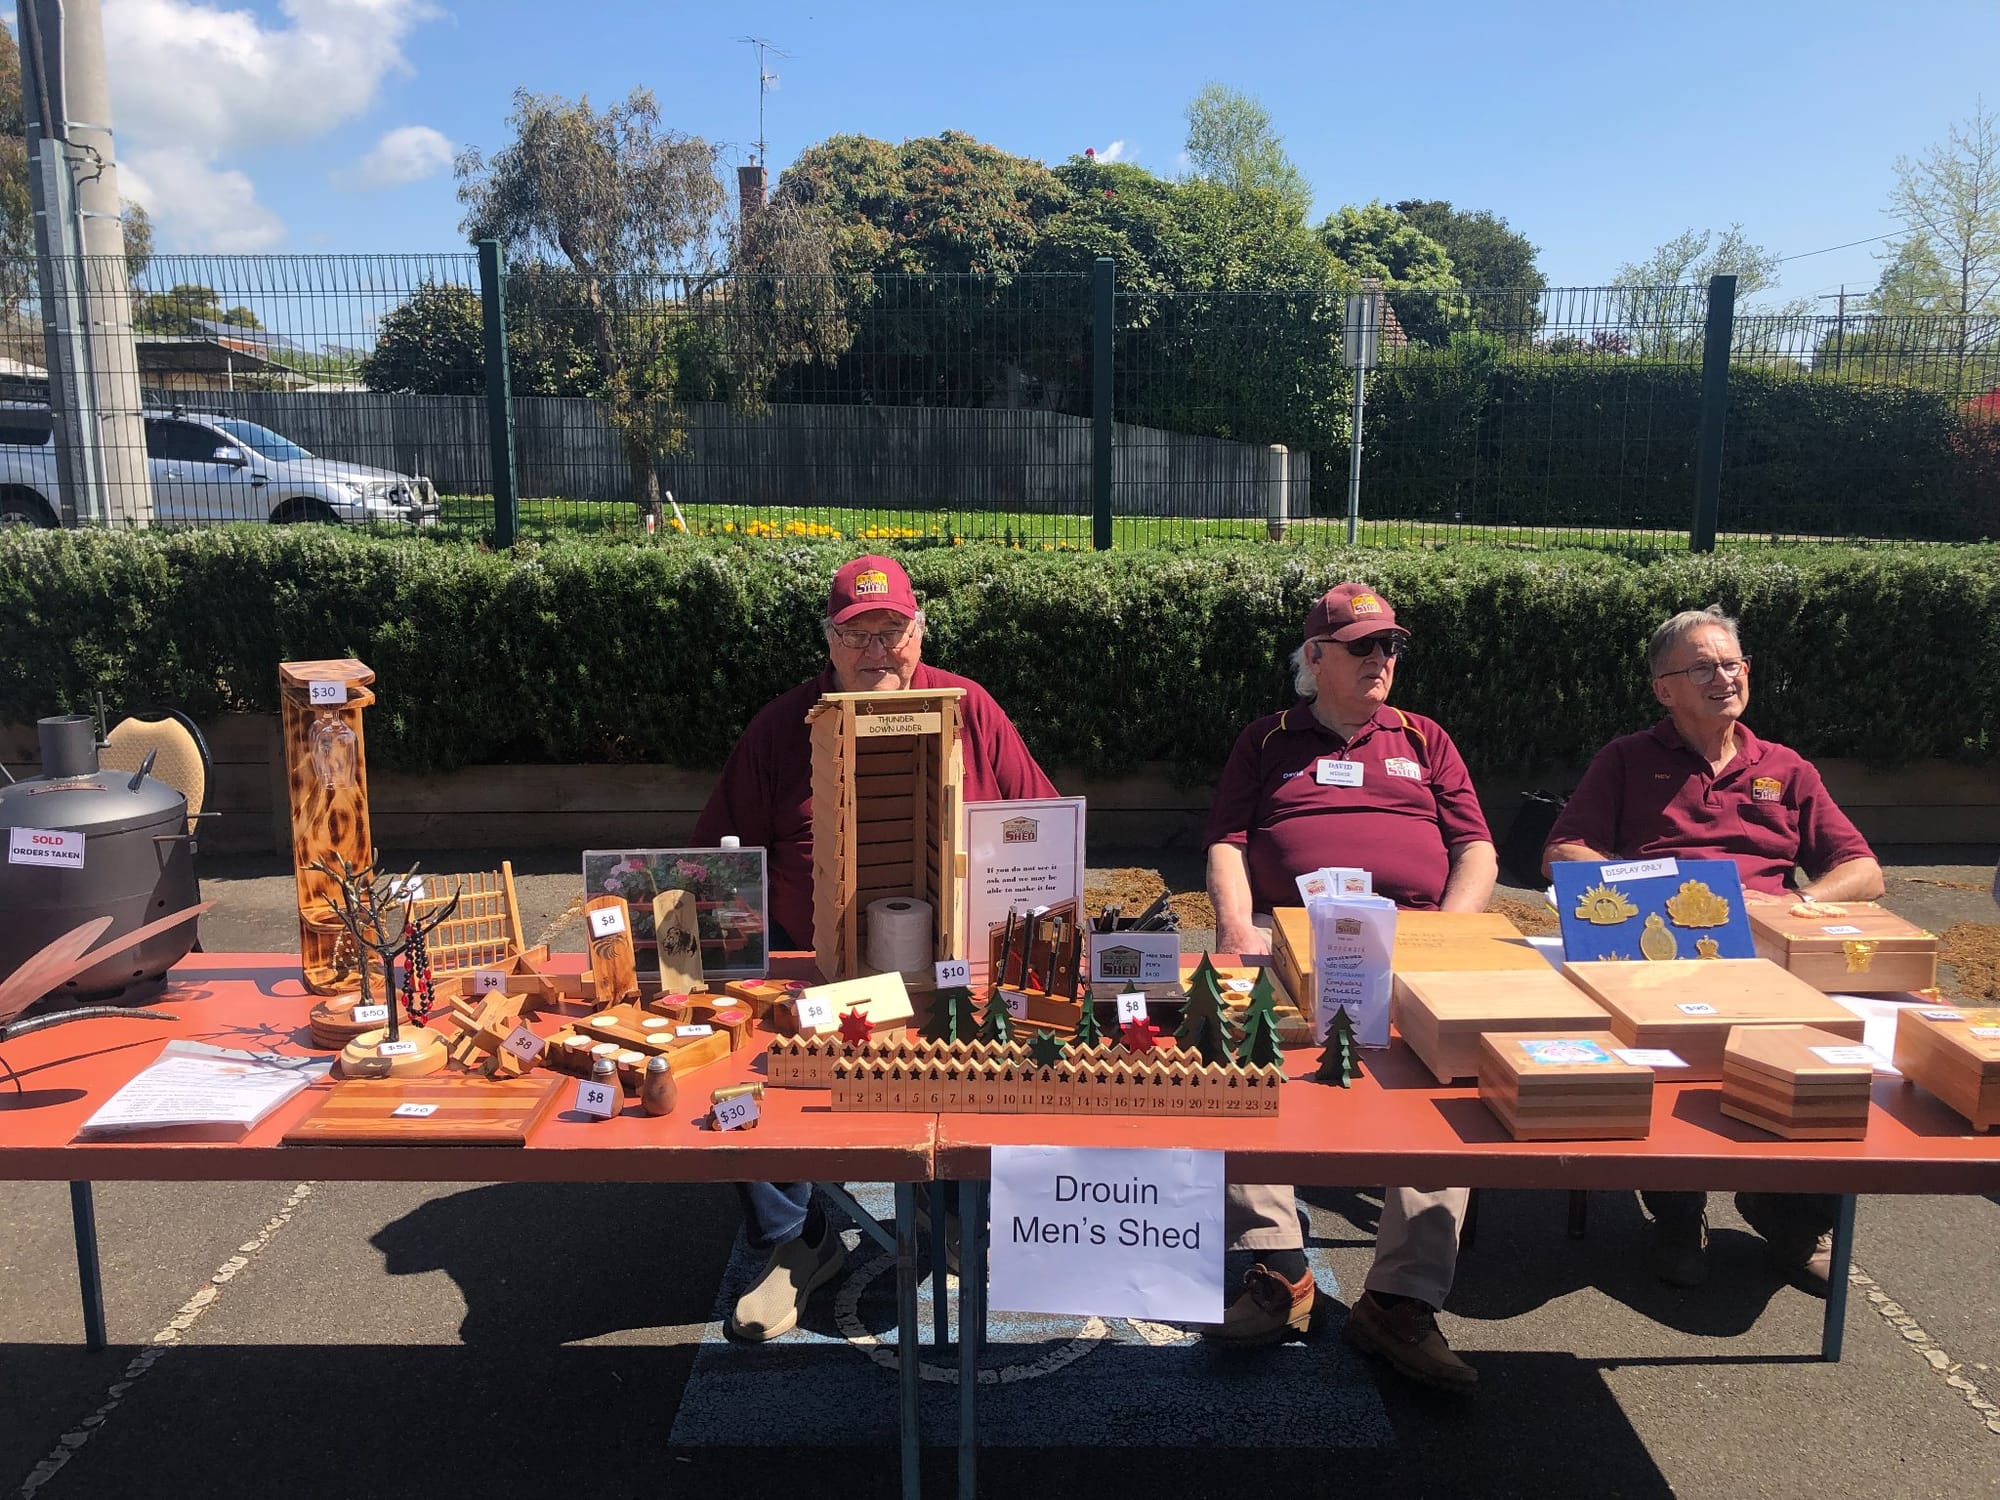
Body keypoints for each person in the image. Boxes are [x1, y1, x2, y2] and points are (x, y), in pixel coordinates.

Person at [693, 554, 1056, 1341]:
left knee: (994, 1045)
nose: (877, 650)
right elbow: (719, 863)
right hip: (815, 964)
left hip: (956, 964)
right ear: (828, 642)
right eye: (857, 635)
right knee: (744, 1056)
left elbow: (1040, 820)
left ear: (919, 632)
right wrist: (733, 966)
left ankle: (949, 1216)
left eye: (892, 631)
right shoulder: (782, 727)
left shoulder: (971, 709)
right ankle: (798, 1239)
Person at [1204, 582, 1498, 1392]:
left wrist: (1449, 935)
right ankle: (1278, 1268)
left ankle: (1400, 1301)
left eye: (1390, 645)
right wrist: (1237, 927)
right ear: (1315, 656)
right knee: (1233, 1062)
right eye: (1363, 646)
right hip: (1294, 947)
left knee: (1445, 1088)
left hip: (1411, 944)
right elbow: (1227, 842)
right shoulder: (1267, 740)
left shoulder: (1425, 738)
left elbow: (1476, 849)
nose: (1381, 659)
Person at [1543, 604, 1884, 1294]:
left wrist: (1799, 904)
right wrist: (1651, 889)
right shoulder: (1627, 760)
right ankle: (1678, 1213)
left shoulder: (1785, 768)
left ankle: (1792, 1217)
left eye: (1732, 664)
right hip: (1661, 951)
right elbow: (1564, 852)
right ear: (1663, 690)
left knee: (1837, 1061)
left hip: (1768, 955)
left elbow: (1864, 871)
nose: (1724, 677)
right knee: (1668, 1062)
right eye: (1703, 668)